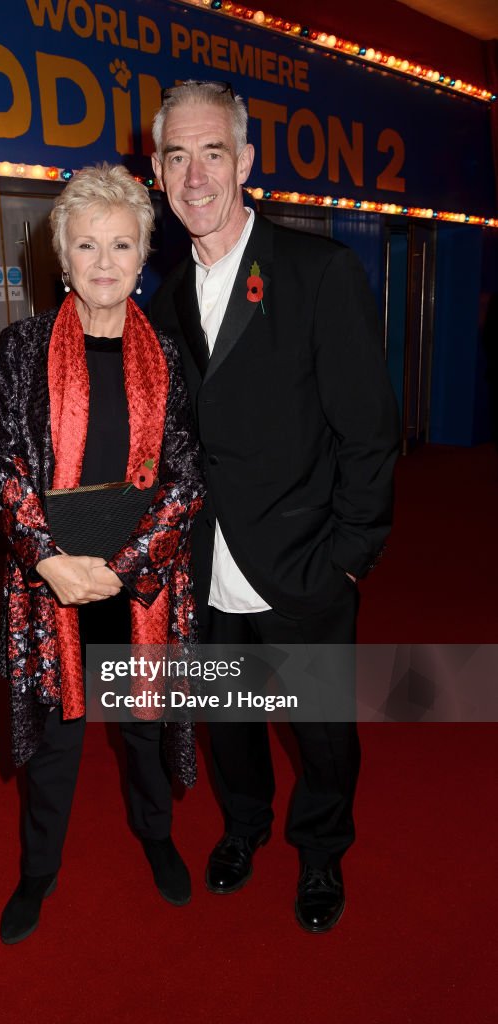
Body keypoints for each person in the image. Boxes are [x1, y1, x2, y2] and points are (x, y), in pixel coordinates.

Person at [149, 81, 400, 932]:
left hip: (302, 560)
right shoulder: (166, 292)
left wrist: (348, 557)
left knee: (320, 730)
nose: (194, 175)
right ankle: (244, 827)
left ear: (245, 161)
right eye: (176, 155)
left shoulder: (317, 269)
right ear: (155, 168)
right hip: (203, 559)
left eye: (211, 152)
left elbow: (369, 431)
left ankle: (322, 851)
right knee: (227, 718)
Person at [0, 162, 205, 944]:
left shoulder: (171, 359)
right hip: (50, 583)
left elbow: (185, 476)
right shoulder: (23, 349)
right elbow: (5, 465)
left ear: (143, 254)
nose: (105, 262)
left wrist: (123, 565)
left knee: (142, 728)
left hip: (139, 584)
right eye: (87, 245)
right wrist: (48, 560)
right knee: (56, 737)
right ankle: (38, 871)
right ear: (62, 257)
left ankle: (155, 837)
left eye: (120, 244)